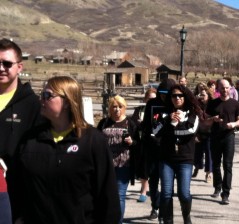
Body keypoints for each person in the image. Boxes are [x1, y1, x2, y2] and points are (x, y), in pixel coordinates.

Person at [16, 76, 120, 224]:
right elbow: (18, 186)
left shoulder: (93, 141)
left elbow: (108, 196)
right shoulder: (30, 140)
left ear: (67, 101)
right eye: (41, 95)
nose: (41, 100)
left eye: (47, 96)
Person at [0, 38, 43, 222]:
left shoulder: (33, 105)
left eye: (7, 63)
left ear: (20, 67)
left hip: (15, 192)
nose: (1, 68)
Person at [153, 84, 200, 224]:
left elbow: (190, 131)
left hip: (185, 159)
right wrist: (170, 121)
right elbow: (155, 132)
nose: (177, 98)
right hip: (166, 159)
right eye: (174, 96)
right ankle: (168, 221)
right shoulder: (163, 114)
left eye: (180, 95)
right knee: (166, 194)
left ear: (185, 97)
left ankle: (186, 217)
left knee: (184, 194)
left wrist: (170, 129)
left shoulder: (193, 113)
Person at [97, 95, 139, 224]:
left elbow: (139, 143)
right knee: (105, 195)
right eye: (114, 107)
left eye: (120, 107)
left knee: (120, 195)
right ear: (110, 108)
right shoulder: (104, 123)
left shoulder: (130, 123)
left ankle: (118, 222)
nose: (117, 109)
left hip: (123, 164)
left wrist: (132, 142)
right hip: (105, 164)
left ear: (124, 108)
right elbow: (96, 140)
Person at [142, 78, 176, 221]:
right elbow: (145, 125)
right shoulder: (151, 104)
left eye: (166, 94)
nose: (163, 97)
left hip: (168, 148)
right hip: (153, 148)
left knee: (167, 183)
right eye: (161, 94)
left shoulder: (174, 105)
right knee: (154, 180)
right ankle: (155, 206)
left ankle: (166, 209)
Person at [206, 79, 239, 205]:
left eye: (227, 88)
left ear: (230, 89)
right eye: (222, 88)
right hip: (215, 137)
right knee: (216, 164)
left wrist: (233, 124)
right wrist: (212, 119)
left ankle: (225, 193)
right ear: (218, 89)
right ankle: (217, 187)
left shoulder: (235, 104)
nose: (225, 90)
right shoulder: (212, 104)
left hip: (229, 137)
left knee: (227, 165)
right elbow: (205, 121)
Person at [131, 88, 157, 203]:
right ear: (145, 99)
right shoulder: (139, 110)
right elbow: (132, 124)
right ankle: (143, 190)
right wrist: (138, 123)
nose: (151, 101)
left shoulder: (158, 110)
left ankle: (150, 189)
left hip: (155, 142)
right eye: (149, 98)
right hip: (142, 141)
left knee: (153, 169)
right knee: (143, 167)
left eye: (153, 99)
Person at [192, 86, 213, 183]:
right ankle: (197, 167)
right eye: (201, 95)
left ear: (208, 96)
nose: (202, 96)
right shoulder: (197, 106)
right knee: (197, 153)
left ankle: (208, 173)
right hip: (199, 132)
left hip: (209, 132)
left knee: (209, 153)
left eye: (204, 95)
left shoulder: (213, 105)